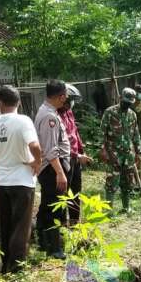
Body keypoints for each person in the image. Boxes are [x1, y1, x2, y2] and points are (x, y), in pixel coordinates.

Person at [0, 85, 42, 274]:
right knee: (21, 226)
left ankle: (5, 264)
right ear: (19, 102)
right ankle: (17, 268)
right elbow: (35, 145)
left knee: (5, 224)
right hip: (23, 180)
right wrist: (37, 162)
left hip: (2, 181)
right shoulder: (23, 121)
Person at [34, 79, 71, 259]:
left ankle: (43, 242)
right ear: (61, 96)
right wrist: (60, 172)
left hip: (51, 168)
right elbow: (50, 149)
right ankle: (54, 248)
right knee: (54, 207)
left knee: (47, 205)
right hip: (51, 168)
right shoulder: (49, 117)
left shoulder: (47, 111)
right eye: (65, 96)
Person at [100, 87, 141, 213]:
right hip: (113, 153)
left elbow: (136, 134)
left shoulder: (132, 115)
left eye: (129, 103)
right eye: (125, 102)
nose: (127, 104)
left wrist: (138, 151)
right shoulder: (110, 112)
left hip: (128, 154)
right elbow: (102, 132)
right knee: (112, 182)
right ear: (120, 99)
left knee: (128, 182)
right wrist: (103, 150)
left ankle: (126, 207)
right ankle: (108, 211)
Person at [58, 83, 91, 225]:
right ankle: (61, 224)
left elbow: (74, 132)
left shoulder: (69, 113)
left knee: (75, 191)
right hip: (65, 159)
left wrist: (81, 149)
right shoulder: (55, 116)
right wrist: (76, 155)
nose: (72, 104)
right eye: (70, 100)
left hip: (76, 157)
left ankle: (74, 222)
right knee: (64, 193)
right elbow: (59, 144)